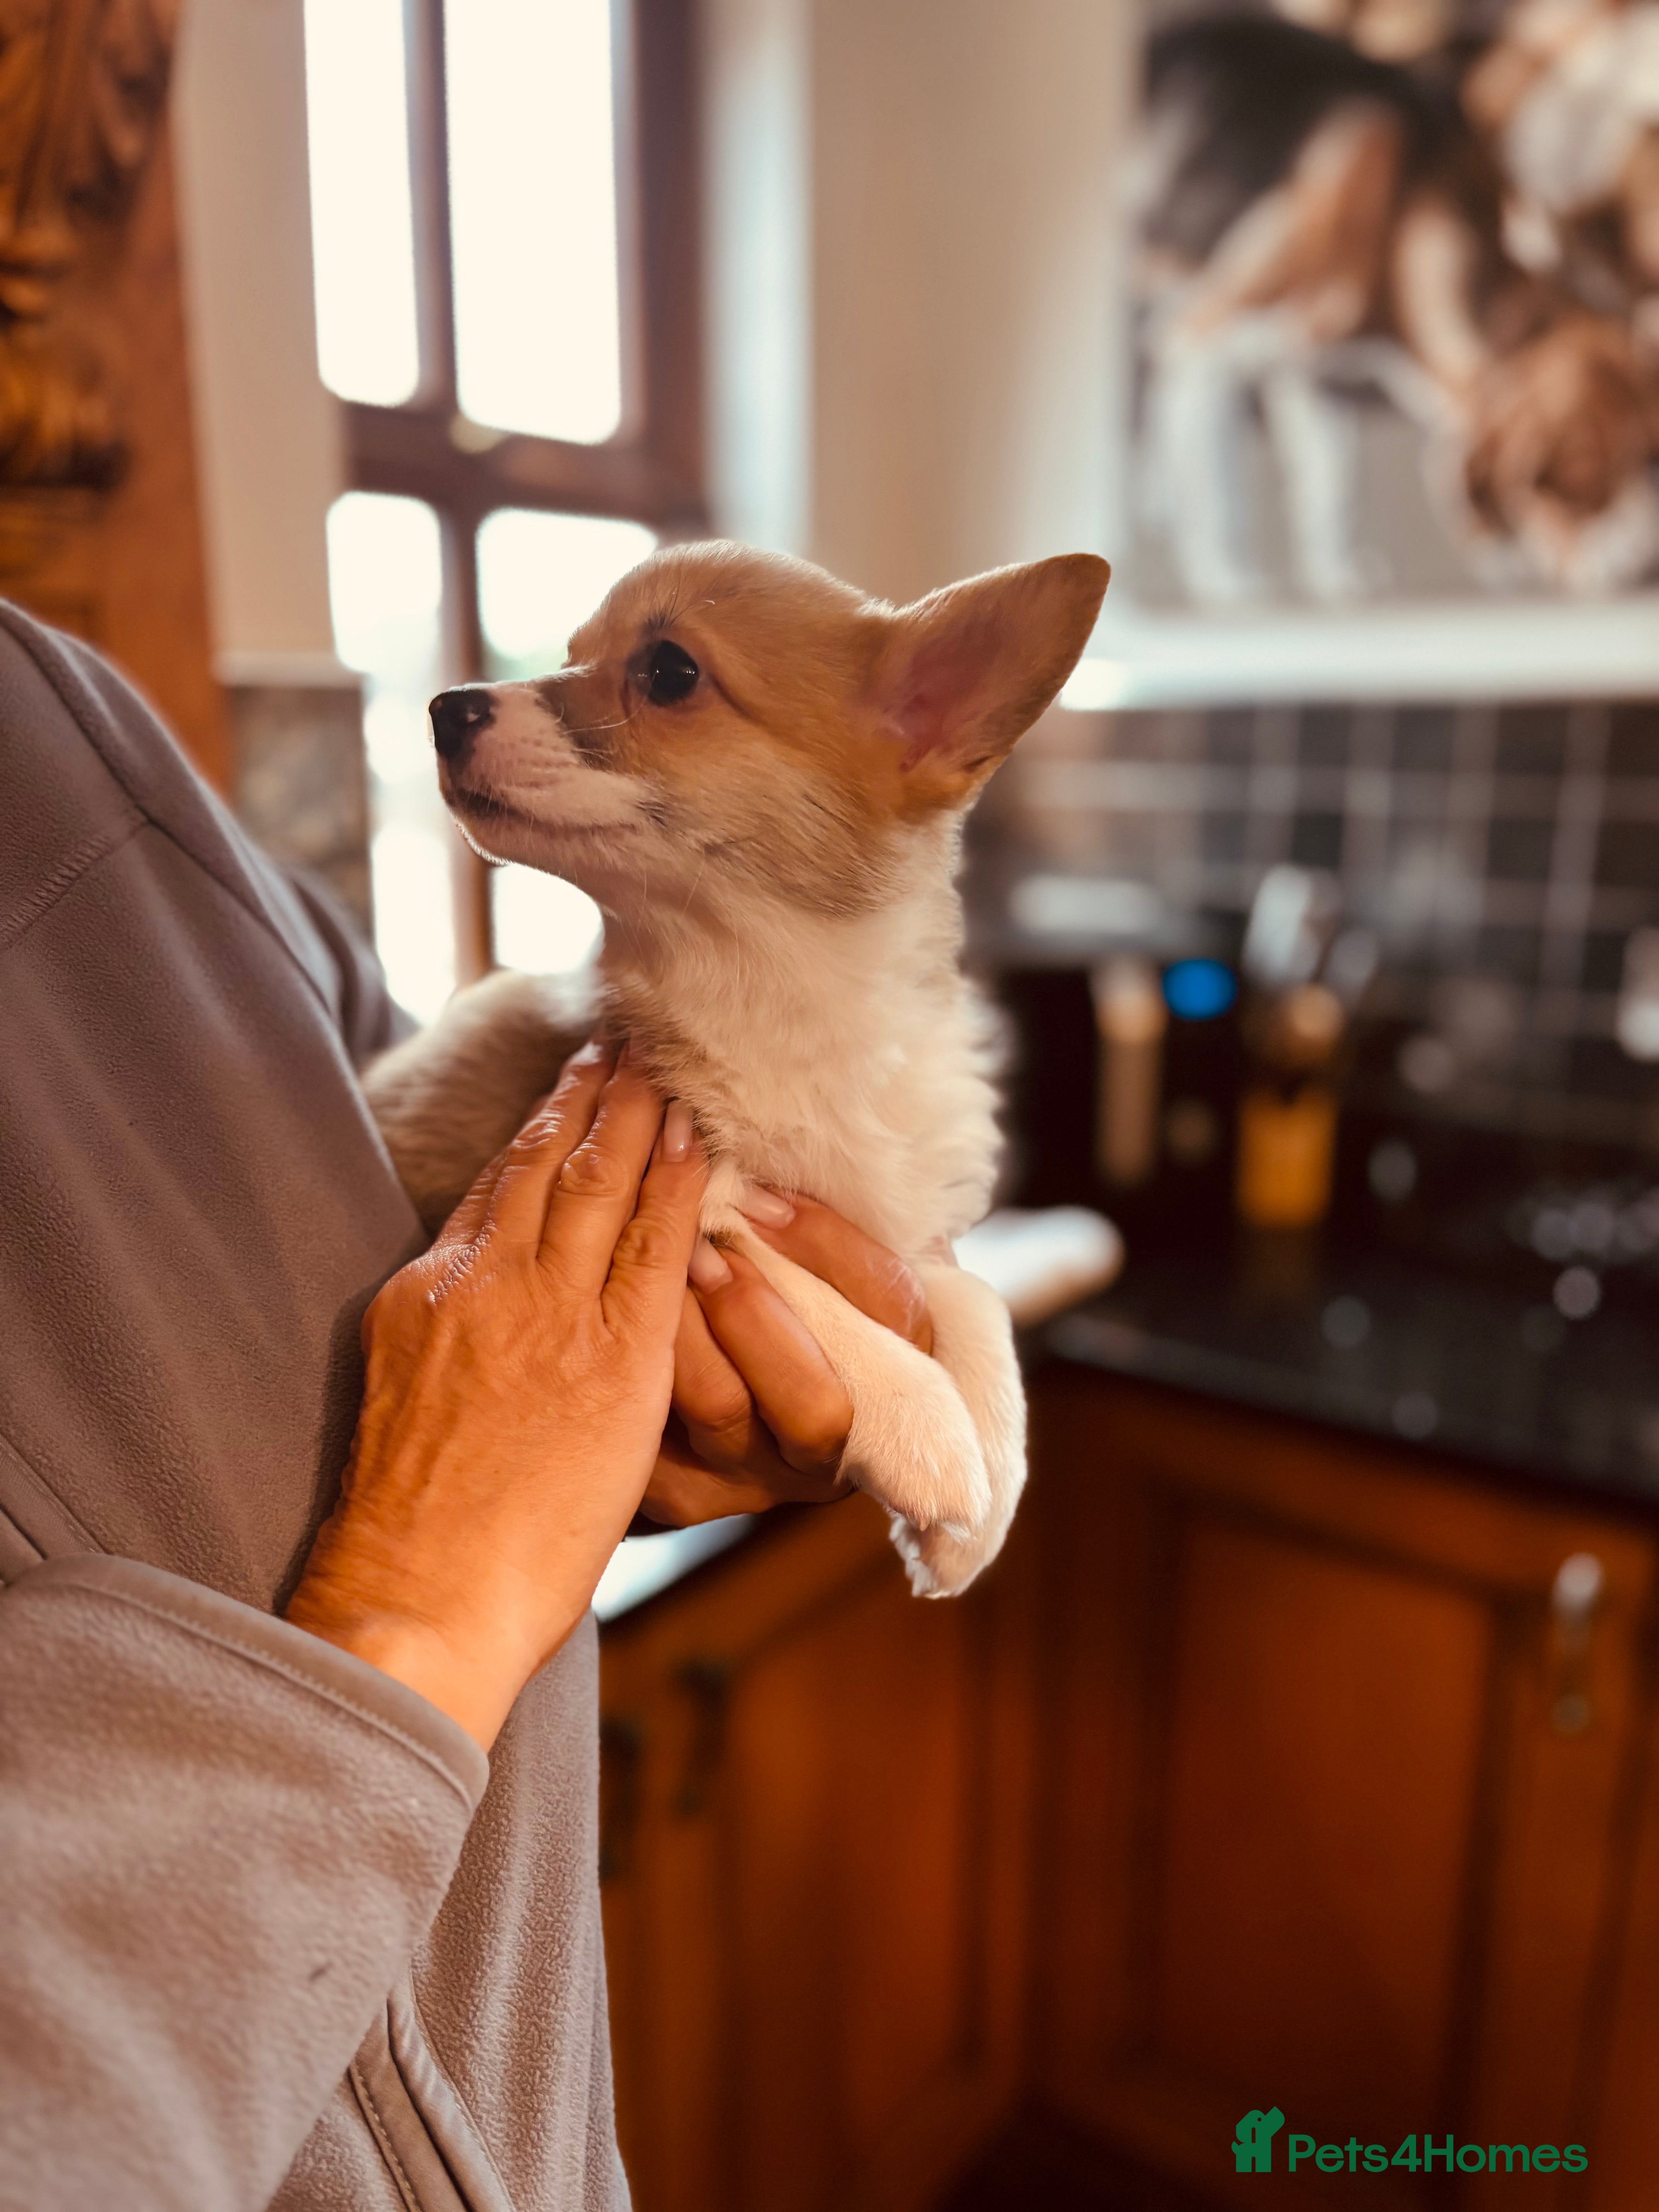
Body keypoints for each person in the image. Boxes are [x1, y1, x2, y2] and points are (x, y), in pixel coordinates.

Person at [0, 604, 931, 2210]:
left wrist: (634, 1417)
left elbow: (392, 1159)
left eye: (665, 678)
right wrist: (414, 1609)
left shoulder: (62, 718)